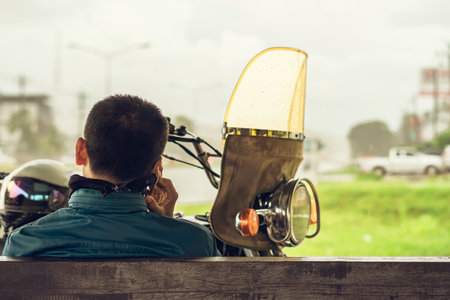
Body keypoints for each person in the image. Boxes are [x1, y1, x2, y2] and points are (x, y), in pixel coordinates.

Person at [2, 94, 220, 257]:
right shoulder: (196, 242)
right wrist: (168, 224)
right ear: (156, 168)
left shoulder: (24, 243)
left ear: (80, 151)